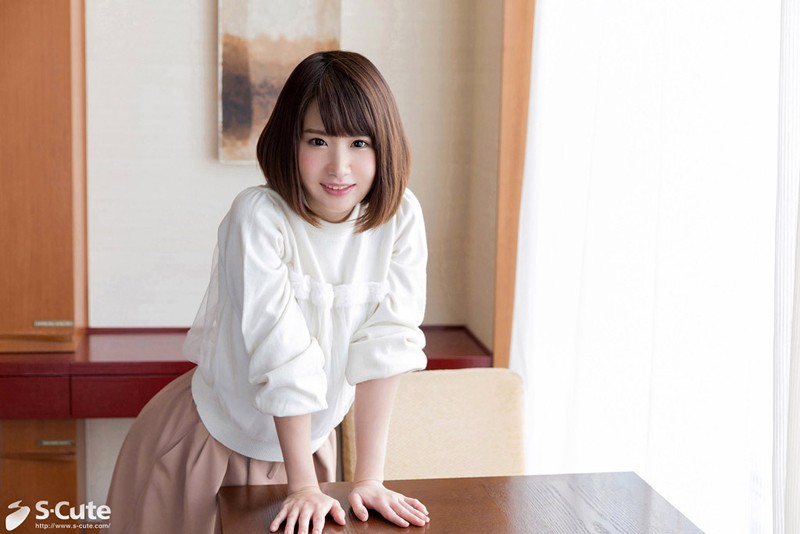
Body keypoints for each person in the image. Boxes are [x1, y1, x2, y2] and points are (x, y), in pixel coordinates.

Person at [106, 50, 431, 534]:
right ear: (288, 140)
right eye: (318, 140)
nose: (339, 167)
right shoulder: (259, 216)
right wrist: (302, 486)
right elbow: (284, 356)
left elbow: (385, 347)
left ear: (384, 145)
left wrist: (368, 479)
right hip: (210, 446)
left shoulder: (401, 216)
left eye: (359, 142)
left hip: (310, 451)